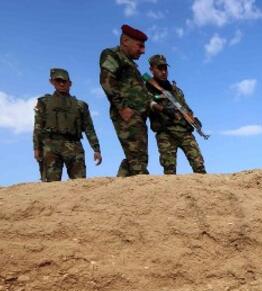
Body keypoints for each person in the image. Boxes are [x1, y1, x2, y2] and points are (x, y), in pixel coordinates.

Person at [99, 24, 162, 177]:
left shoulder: (132, 65)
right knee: (138, 160)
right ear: (125, 40)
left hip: (138, 116)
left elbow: (140, 92)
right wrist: (122, 108)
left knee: (137, 158)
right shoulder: (112, 54)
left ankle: (121, 188)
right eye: (140, 46)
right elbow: (106, 80)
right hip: (127, 113)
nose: (143, 51)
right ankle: (141, 192)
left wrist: (153, 104)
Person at [32, 68, 102, 182]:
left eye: (64, 81)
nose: (61, 84)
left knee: (79, 184)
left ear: (70, 83)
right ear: (52, 82)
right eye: (58, 81)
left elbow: (89, 128)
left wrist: (96, 149)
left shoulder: (80, 105)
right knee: (50, 185)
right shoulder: (44, 102)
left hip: (74, 146)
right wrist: (36, 148)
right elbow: (38, 127)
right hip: (50, 146)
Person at [146, 54, 206, 175]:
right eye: (160, 68)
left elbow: (185, 107)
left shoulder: (175, 90)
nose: (163, 72)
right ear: (151, 69)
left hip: (184, 131)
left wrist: (193, 118)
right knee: (169, 171)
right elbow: (147, 103)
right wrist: (162, 109)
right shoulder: (147, 87)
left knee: (199, 166)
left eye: (165, 69)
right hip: (165, 133)